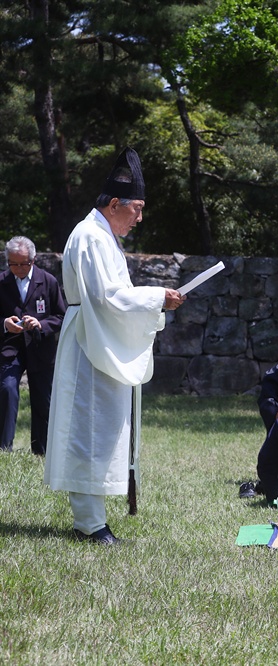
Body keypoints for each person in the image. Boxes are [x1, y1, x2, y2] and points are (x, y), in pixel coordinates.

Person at [44, 147, 186, 545]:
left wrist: (155, 300)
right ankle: (89, 524)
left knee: (100, 428)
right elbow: (108, 297)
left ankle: (91, 518)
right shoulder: (91, 237)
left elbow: (113, 295)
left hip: (97, 333)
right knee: (89, 429)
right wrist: (158, 296)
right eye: (136, 209)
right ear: (113, 204)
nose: (139, 218)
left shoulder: (101, 236)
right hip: (91, 337)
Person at [0, 236, 67, 455]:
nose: (18, 268)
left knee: (42, 398)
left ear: (33, 259)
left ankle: (41, 451)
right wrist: (4, 324)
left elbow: (61, 315)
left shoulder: (48, 281)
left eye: (23, 263)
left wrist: (41, 323)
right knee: (7, 389)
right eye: (13, 263)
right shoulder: (2, 282)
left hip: (40, 348)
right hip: (10, 348)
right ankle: (4, 447)